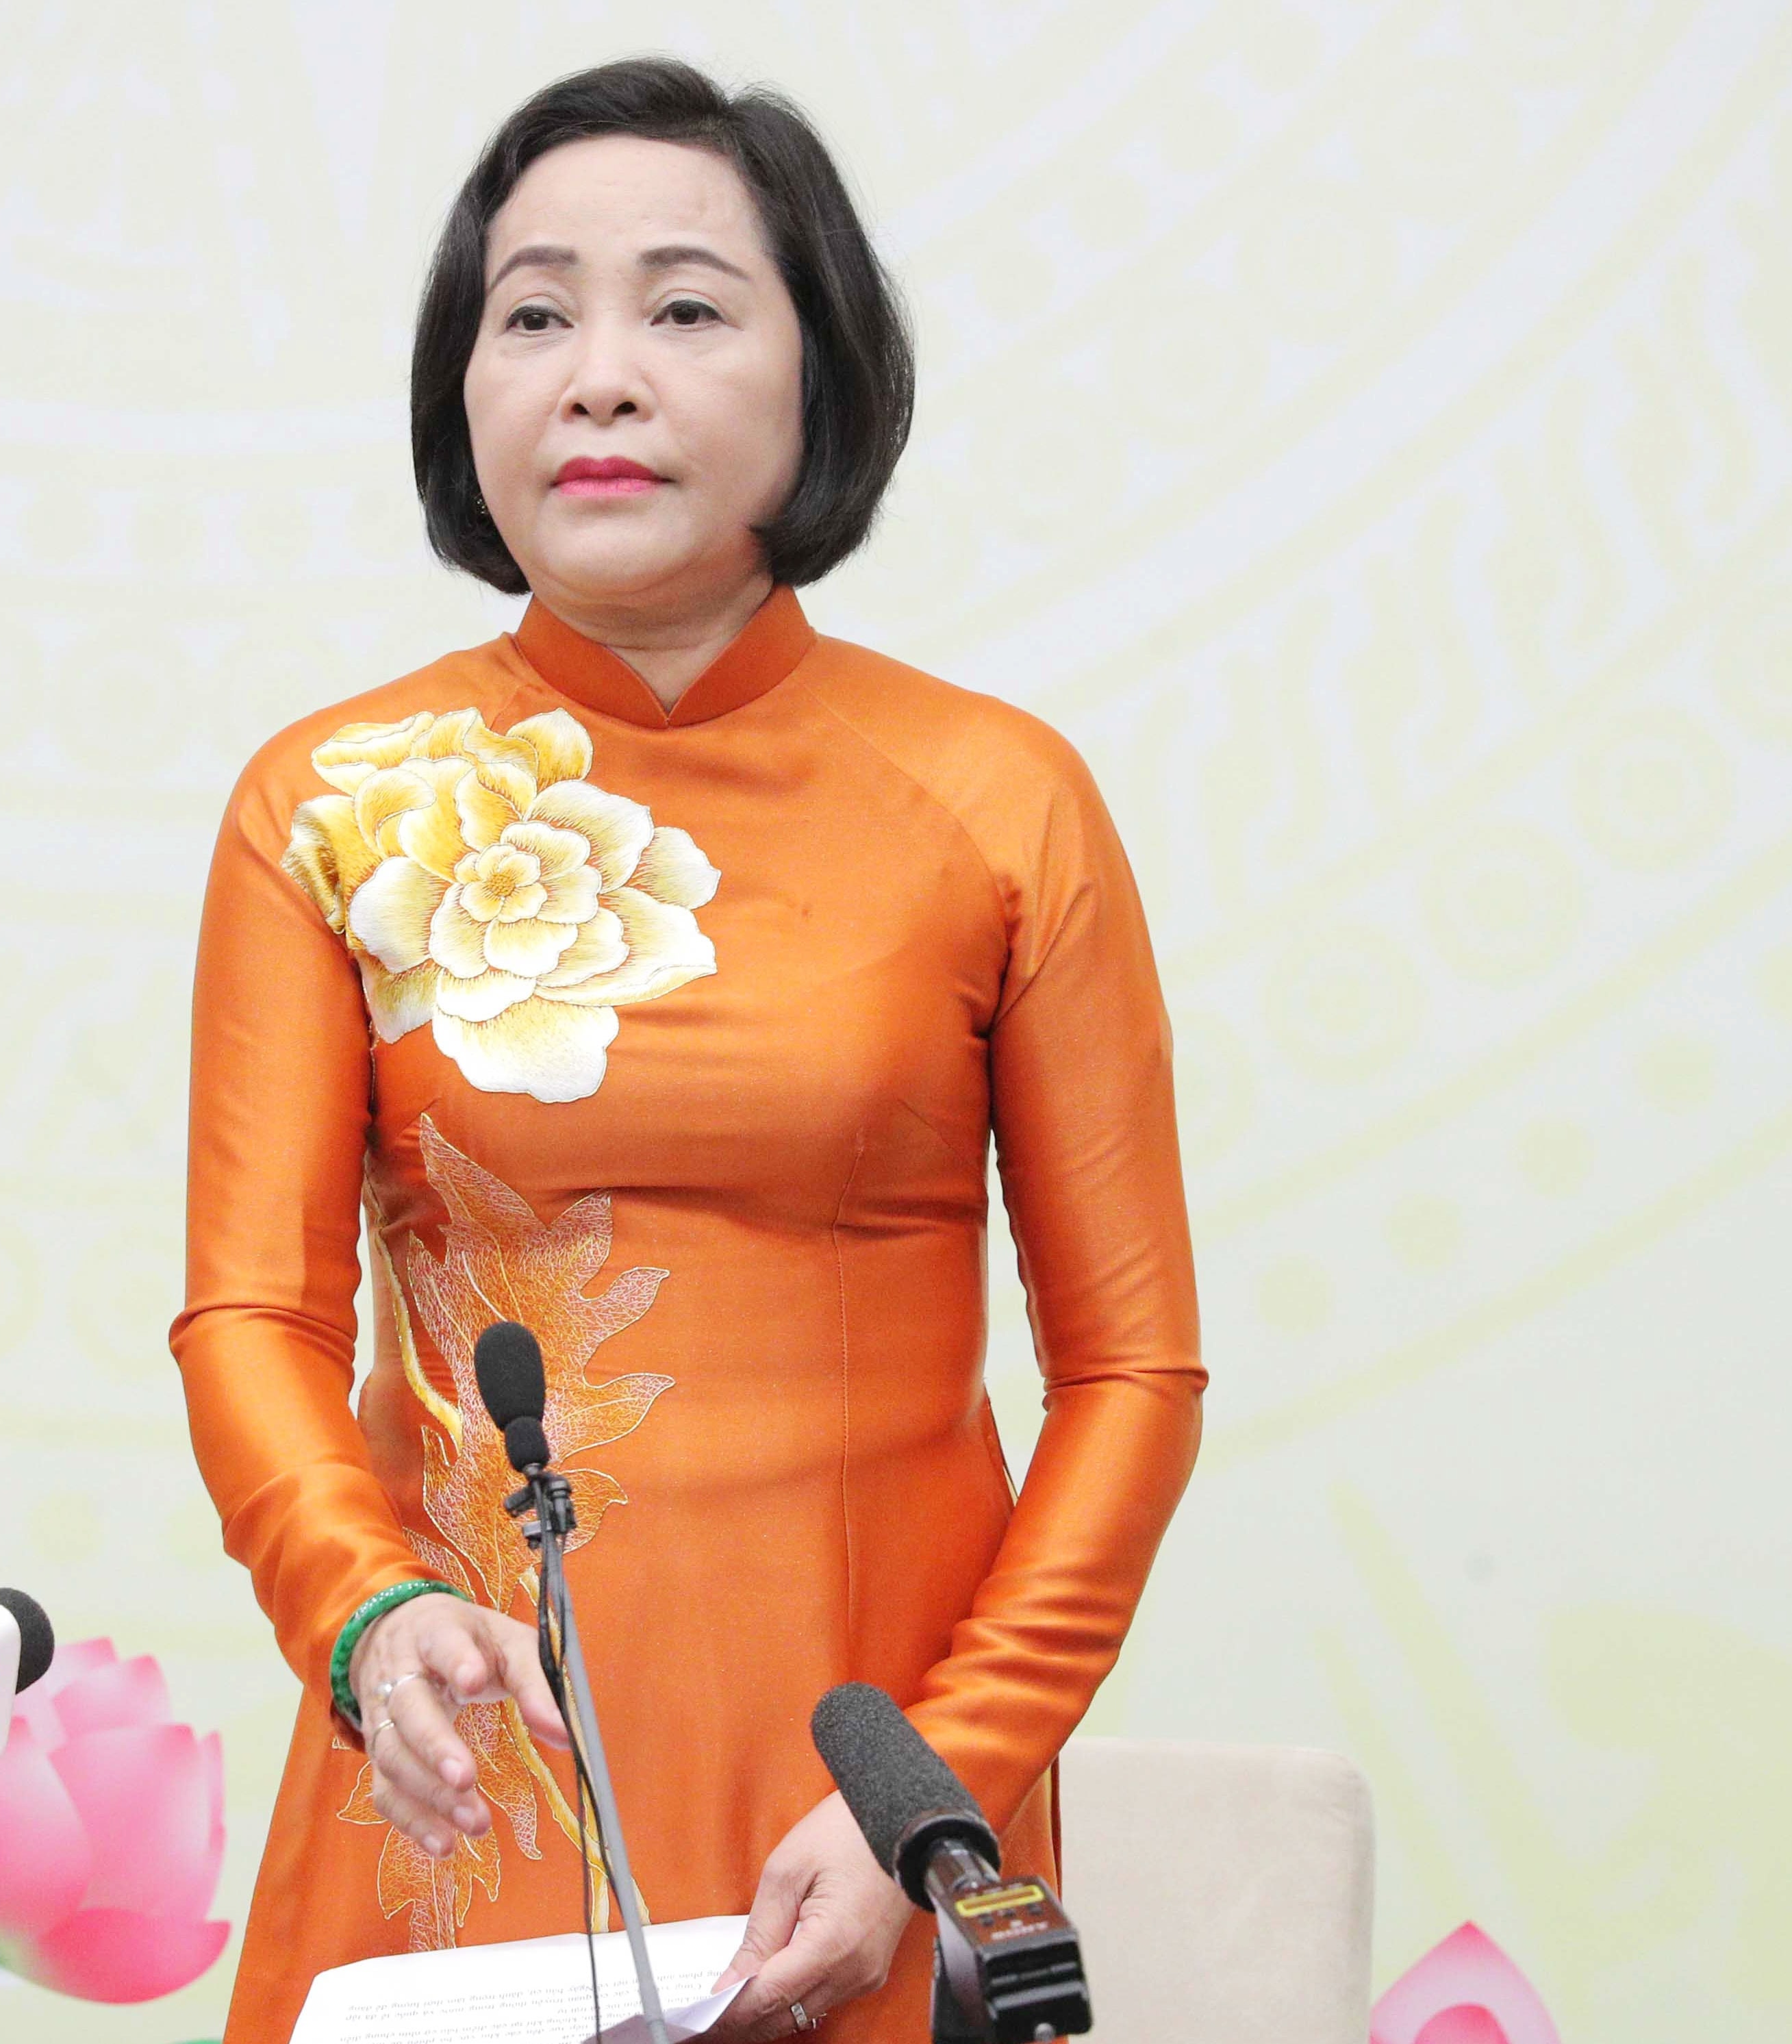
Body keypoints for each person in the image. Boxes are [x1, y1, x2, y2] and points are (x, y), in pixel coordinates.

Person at [173, 56, 1202, 2044]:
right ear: (460, 389)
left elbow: (1133, 1371)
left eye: (686, 308)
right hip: (467, 1753)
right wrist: (363, 1615)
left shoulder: (1000, 799)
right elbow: (252, 1315)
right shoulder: (329, 805)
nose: (600, 378)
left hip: (873, 1782)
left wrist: (954, 1766)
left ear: (825, 372)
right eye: (533, 316)